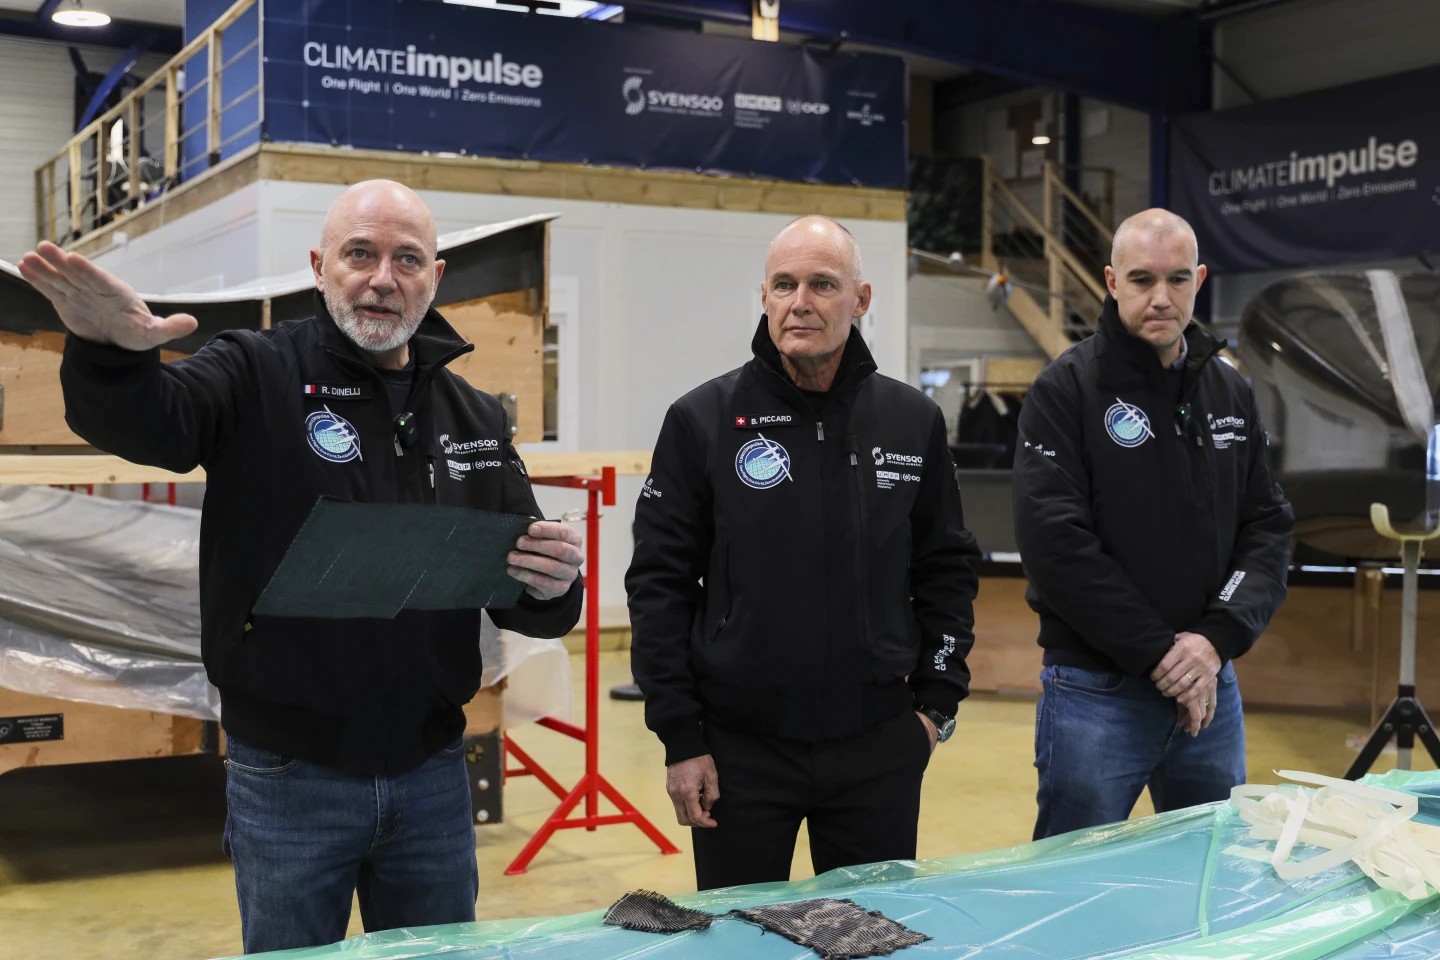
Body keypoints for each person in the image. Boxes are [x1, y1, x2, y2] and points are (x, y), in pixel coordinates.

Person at [18, 180, 584, 952]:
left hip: (432, 773)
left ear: (436, 277)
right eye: (361, 253)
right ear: (320, 266)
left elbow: (523, 593)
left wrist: (556, 589)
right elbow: (158, 421)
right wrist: (112, 358)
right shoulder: (255, 373)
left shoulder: (474, 416)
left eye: (407, 258)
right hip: (290, 778)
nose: (383, 277)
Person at [626, 215, 980, 890]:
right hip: (738, 751)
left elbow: (946, 568)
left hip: (877, 744)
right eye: (784, 284)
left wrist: (935, 708)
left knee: (870, 937)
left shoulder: (911, 422)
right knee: (737, 943)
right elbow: (659, 585)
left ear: (861, 299)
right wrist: (682, 737)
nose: (800, 302)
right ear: (763, 296)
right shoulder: (702, 421)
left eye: (822, 284)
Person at [1013, 208, 1293, 840]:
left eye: (1176, 280)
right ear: (1112, 283)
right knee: (1069, 889)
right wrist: (1164, 654)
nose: (1160, 298)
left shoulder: (1230, 393)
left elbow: (1268, 526)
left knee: (1211, 880)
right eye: (1142, 280)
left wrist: (1214, 639)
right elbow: (1056, 545)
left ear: (1199, 280)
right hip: (1096, 691)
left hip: (1210, 687)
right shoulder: (1066, 391)